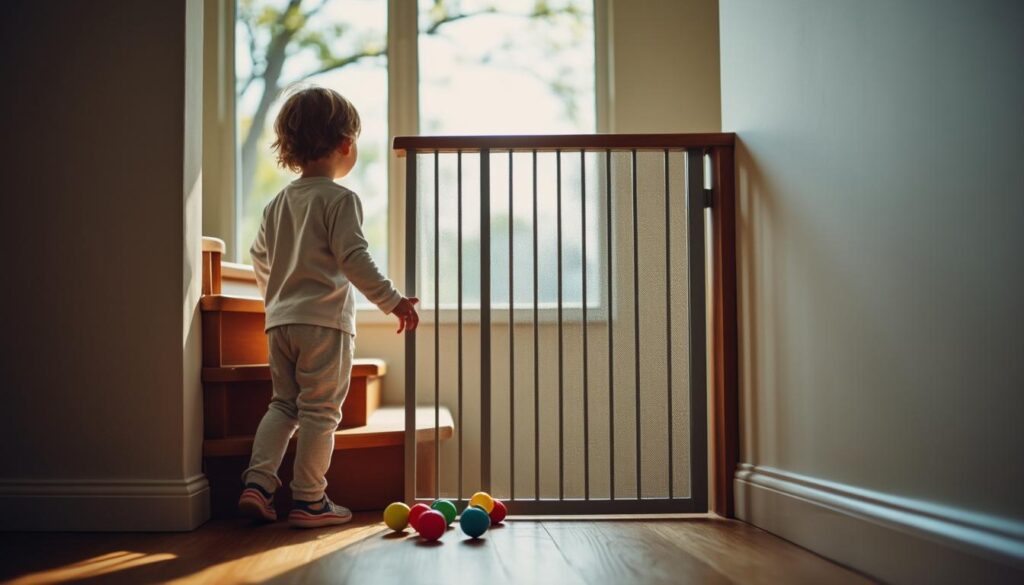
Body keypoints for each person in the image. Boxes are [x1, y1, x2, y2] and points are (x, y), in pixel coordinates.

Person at [237, 86, 419, 528]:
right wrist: (393, 302)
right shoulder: (340, 200)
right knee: (320, 411)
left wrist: (277, 298)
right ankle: (309, 500)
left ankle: (257, 486)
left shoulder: (276, 203)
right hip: (324, 326)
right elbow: (354, 258)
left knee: (283, 405)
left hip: (279, 323)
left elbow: (260, 257)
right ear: (346, 144)